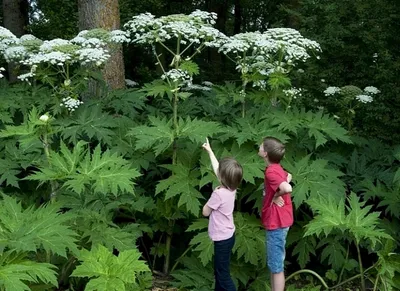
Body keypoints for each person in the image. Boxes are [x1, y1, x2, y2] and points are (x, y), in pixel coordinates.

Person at [202, 138, 243, 291]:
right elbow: (218, 169)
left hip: (222, 239)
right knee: (219, 272)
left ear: (221, 178)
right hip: (228, 236)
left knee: (222, 274)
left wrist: (209, 201)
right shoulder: (232, 189)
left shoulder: (218, 194)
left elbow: (205, 212)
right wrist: (210, 151)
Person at [258, 137, 293, 291]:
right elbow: (288, 176)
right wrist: (276, 194)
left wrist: (276, 195)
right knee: (274, 264)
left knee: (276, 265)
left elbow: (287, 187)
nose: (259, 147)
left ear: (265, 153)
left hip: (276, 223)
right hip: (280, 221)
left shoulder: (271, 171)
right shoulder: (277, 168)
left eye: (261, 146)